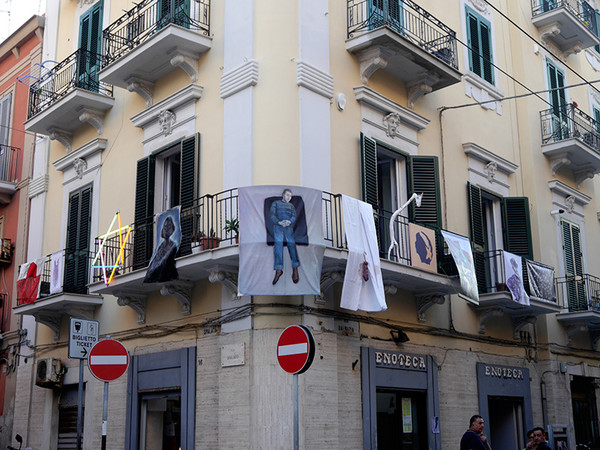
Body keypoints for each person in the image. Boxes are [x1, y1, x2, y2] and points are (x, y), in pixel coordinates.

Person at [270, 188, 300, 285]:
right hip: (278, 226)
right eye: (287, 195)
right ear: (283, 194)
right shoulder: (276, 203)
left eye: (290, 196)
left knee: (291, 244)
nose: (289, 197)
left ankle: (295, 268)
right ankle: (278, 270)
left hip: (288, 226)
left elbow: (294, 216)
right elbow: (272, 215)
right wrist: (279, 222)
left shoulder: (291, 206)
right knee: (278, 245)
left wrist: (289, 221)